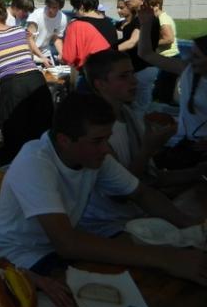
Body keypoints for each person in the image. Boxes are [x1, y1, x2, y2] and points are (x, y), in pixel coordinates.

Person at [0, 92, 207, 284]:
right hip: (21, 259)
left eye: (107, 139)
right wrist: (165, 259)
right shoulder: (34, 162)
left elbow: (141, 193)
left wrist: (195, 228)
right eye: (97, 141)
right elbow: (67, 243)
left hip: (58, 249)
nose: (105, 149)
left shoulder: (91, 155)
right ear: (64, 140)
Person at [79, 50, 207, 237]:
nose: (135, 81)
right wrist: (148, 149)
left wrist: (198, 172)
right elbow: (121, 193)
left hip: (137, 216)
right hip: (108, 226)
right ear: (100, 84)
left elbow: (151, 177)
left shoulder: (129, 116)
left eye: (132, 73)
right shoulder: (96, 133)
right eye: (123, 76)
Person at [0, 0, 53, 165]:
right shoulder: (21, 31)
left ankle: (18, 170)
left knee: (16, 135)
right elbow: (28, 54)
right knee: (42, 131)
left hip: (13, 86)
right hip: (36, 80)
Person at [138, 9, 207, 167]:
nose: (190, 59)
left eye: (196, 56)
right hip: (185, 144)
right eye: (191, 53)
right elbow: (146, 54)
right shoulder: (188, 70)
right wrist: (145, 24)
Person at [125, 0, 160, 118]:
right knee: (136, 109)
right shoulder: (139, 16)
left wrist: (109, 49)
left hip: (142, 69)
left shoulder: (145, 17)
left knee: (138, 112)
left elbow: (132, 42)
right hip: (140, 68)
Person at [62, 0, 117, 72]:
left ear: (81, 7)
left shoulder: (76, 25)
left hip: (89, 73)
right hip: (112, 71)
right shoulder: (110, 23)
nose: (74, 12)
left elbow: (68, 57)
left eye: (75, 8)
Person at [150, 0, 180, 104]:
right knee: (162, 93)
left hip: (169, 59)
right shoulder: (160, 18)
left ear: (157, 5)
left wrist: (150, 43)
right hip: (168, 59)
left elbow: (169, 39)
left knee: (162, 95)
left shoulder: (163, 19)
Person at [26, 0, 68, 65]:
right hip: (30, 54)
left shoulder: (62, 18)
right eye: (49, 6)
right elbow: (29, 39)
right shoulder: (36, 15)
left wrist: (62, 53)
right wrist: (42, 57)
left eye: (54, 7)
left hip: (45, 52)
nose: (50, 10)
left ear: (60, 7)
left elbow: (56, 38)